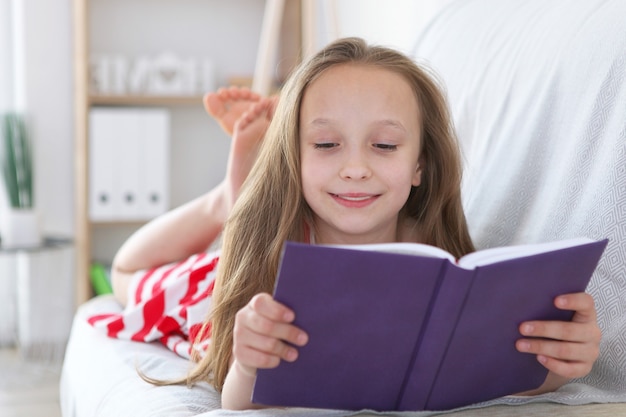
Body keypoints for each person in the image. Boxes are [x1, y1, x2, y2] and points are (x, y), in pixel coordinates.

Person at [103, 37, 601, 411]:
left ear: (420, 165)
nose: (356, 167)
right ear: (293, 158)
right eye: (325, 144)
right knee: (127, 277)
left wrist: (558, 365)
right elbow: (239, 400)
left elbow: (490, 365)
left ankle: (235, 200)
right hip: (232, 277)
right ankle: (225, 201)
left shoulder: (434, 254)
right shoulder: (266, 255)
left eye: (384, 146)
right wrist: (248, 362)